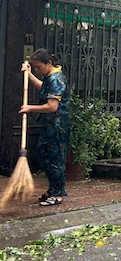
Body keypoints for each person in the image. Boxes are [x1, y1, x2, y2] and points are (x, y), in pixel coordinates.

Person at [20, 49, 70, 206]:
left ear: (49, 63)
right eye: (34, 67)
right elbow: (44, 88)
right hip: (49, 125)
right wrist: (29, 75)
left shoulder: (56, 79)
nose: (37, 70)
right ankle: (53, 189)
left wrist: (30, 108)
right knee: (43, 154)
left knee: (55, 158)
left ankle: (58, 193)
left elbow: (51, 106)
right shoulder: (50, 77)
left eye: (38, 67)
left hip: (57, 126)